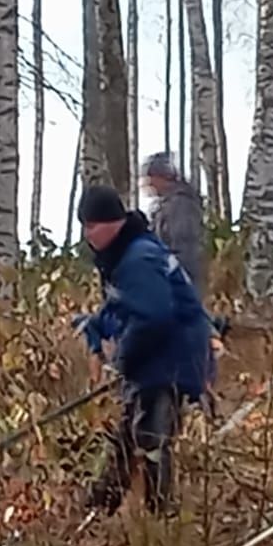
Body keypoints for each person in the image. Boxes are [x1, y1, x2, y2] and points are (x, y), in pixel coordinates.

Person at [78, 184, 210, 515]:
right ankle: (102, 504)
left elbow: (153, 316)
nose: (86, 234)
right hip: (156, 357)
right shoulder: (127, 253)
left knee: (151, 436)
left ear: (112, 222)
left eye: (91, 225)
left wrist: (122, 362)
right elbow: (124, 308)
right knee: (130, 433)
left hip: (169, 360)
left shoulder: (137, 258)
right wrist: (96, 324)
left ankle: (159, 515)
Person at [142, 153, 206, 299]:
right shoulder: (167, 204)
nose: (149, 184)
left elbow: (183, 244)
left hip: (178, 280)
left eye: (151, 177)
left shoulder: (180, 205)